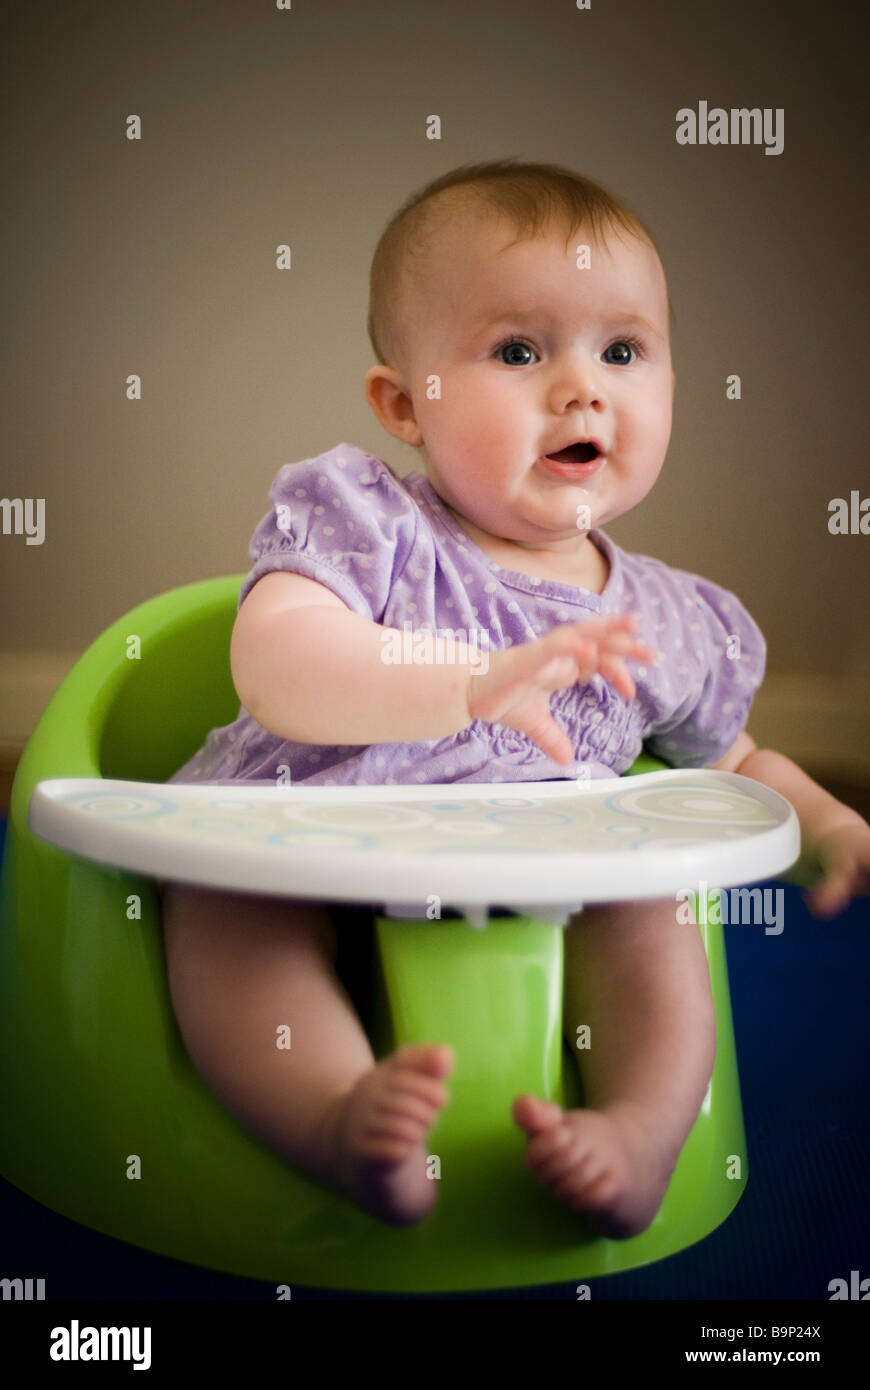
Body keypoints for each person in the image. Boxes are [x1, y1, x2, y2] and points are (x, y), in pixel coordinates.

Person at [161, 160, 870, 1236]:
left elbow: (728, 764)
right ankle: (333, 1116)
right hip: (305, 833)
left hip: (540, 872)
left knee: (658, 906)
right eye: (518, 350)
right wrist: (463, 682)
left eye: (623, 350)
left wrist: (820, 819)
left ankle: (642, 1126)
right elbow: (279, 663)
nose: (582, 387)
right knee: (220, 912)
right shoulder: (366, 524)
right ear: (406, 402)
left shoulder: (669, 620)